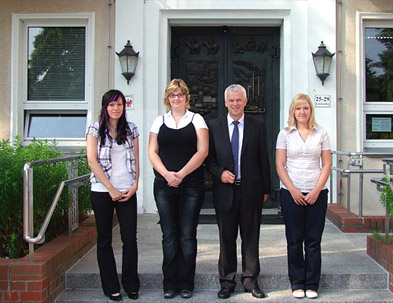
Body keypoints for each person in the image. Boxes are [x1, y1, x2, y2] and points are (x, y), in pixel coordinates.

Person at [206, 84, 271, 299]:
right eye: (231, 100)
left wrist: (267, 188)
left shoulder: (257, 125)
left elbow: (264, 158)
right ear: (225, 102)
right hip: (225, 191)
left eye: (238, 100)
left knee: (251, 237)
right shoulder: (213, 126)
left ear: (245, 101)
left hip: (251, 190)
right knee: (227, 238)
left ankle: (250, 279)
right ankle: (227, 281)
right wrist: (220, 173)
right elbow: (209, 160)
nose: (235, 104)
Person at [148, 78, 209, 299]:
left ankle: (186, 283)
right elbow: (152, 152)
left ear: (186, 97)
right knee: (169, 235)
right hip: (164, 186)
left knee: (187, 235)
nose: (177, 98)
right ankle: (169, 283)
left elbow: (202, 152)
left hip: (191, 185)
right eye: (173, 95)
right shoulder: (159, 121)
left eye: (180, 94)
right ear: (168, 98)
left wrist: (181, 175)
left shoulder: (197, 120)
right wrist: (166, 175)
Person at [275, 93, 331, 300]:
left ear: (310, 111)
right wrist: (293, 190)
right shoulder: (285, 134)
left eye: (305, 108)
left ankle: (312, 283)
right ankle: (297, 282)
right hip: (291, 193)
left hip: (317, 193)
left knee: (314, 240)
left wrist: (317, 190)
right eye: (298, 109)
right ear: (293, 112)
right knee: (294, 239)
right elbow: (280, 165)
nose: (302, 112)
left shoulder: (321, 133)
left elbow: (326, 164)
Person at [86, 89, 140, 301]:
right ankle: (111, 287)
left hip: (127, 190)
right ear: (105, 107)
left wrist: (135, 185)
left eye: (119, 104)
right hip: (102, 191)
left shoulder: (132, 129)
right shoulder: (94, 129)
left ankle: (131, 285)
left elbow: (136, 159)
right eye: (111, 105)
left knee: (129, 239)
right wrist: (111, 189)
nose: (116, 108)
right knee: (104, 240)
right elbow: (92, 161)